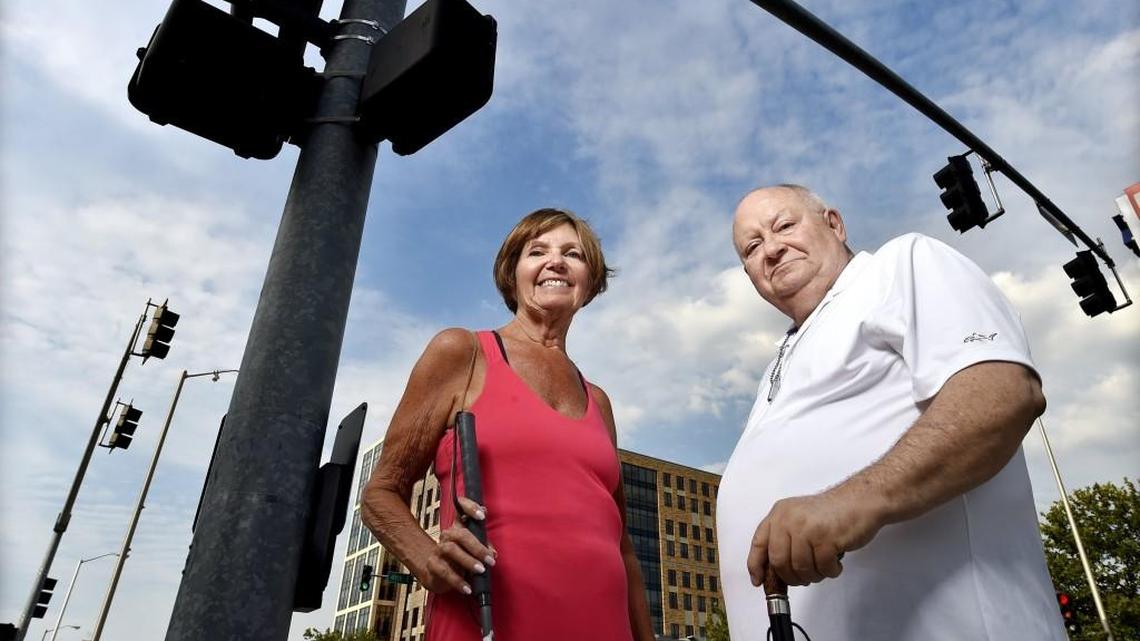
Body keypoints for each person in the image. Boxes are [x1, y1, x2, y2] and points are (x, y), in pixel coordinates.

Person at [716, 184, 1067, 640]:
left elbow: (1001, 392)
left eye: (784, 225)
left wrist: (850, 501)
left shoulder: (903, 264)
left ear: (834, 224)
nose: (773, 248)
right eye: (753, 246)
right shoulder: (780, 360)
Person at [360, 208, 655, 641]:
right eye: (538, 251)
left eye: (573, 254)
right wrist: (426, 559)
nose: (556, 261)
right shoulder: (462, 352)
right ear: (512, 273)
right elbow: (380, 493)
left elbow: (623, 546)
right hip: (487, 621)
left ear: (589, 281)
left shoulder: (600, 402)